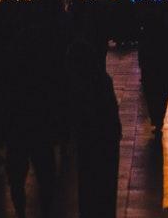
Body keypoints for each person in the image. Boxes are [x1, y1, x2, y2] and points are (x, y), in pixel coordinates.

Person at [68, 38, 121, 218]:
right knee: (104, 187)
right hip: (107, 139)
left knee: (89, 184)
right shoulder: (102, 80)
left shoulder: (83, 85)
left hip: (93, 140)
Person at [138, 0, 168, 132]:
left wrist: (142, 63)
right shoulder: (166, 31)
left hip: (150, 65)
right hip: (163, 65)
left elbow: (142, 49)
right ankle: (159, 118)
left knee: (151, 93)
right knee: (162, 93)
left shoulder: (147, 33)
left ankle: (156, 117)